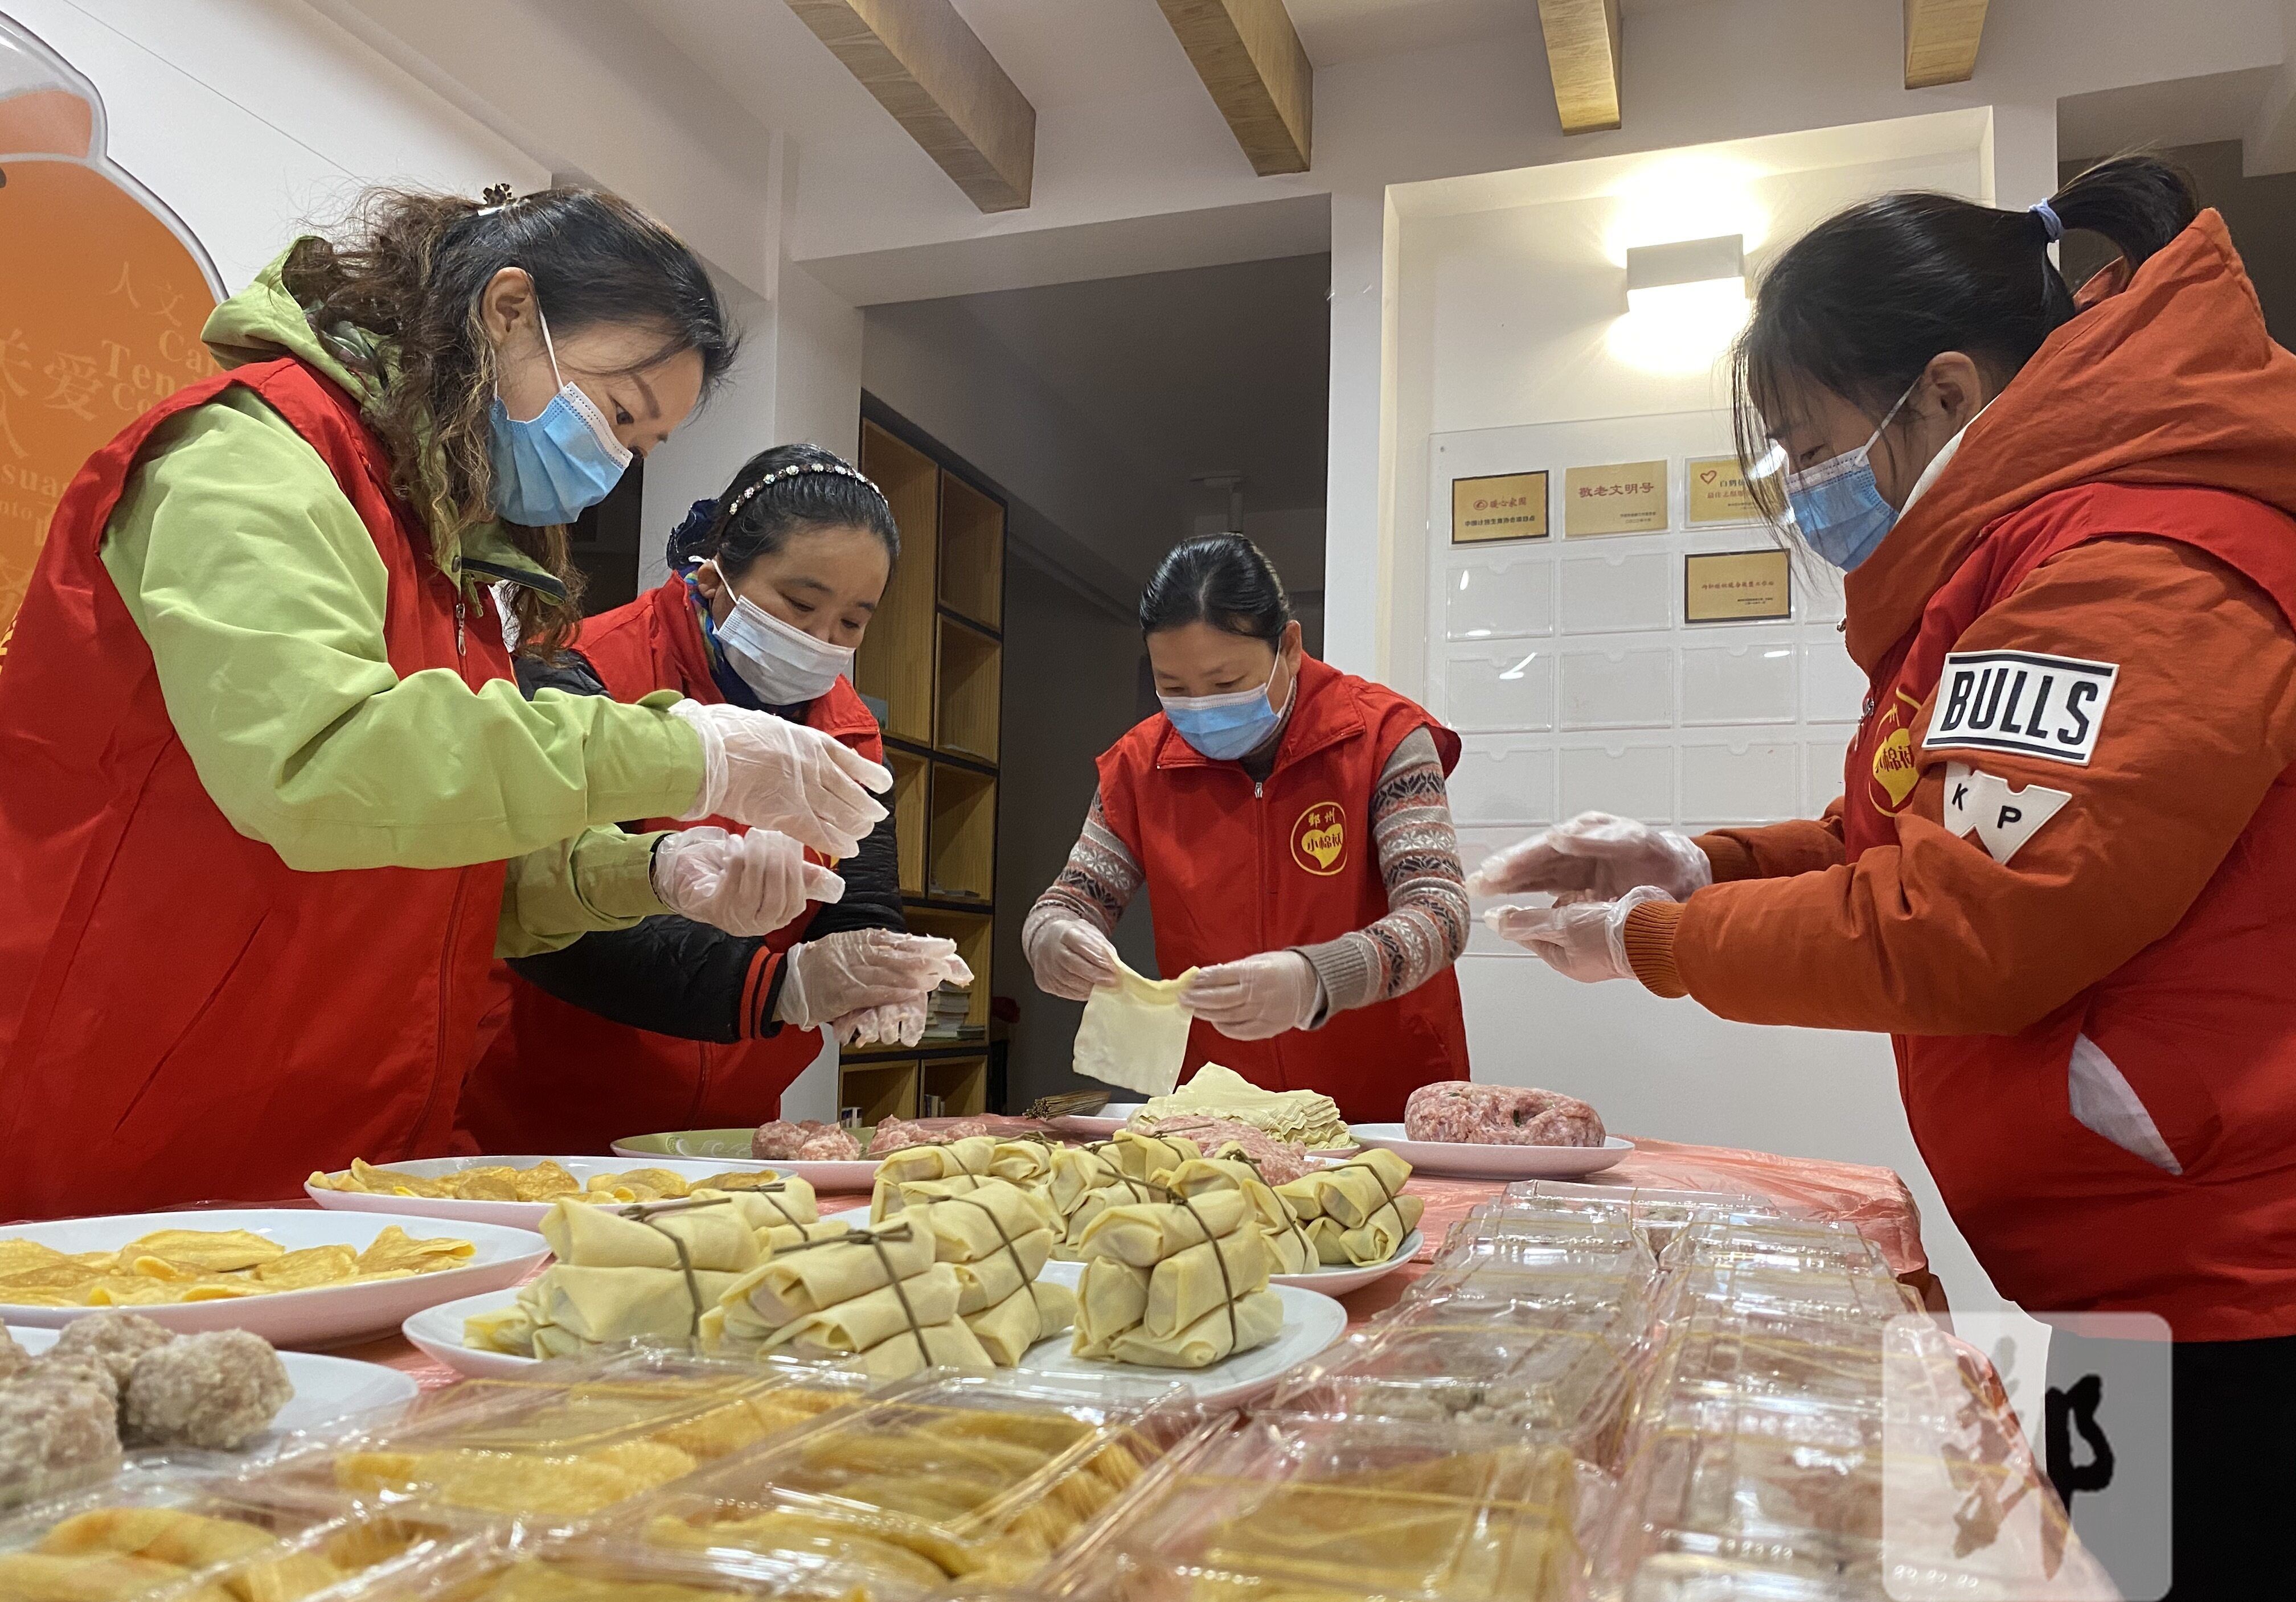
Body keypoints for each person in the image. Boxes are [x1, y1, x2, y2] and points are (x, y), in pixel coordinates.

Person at [1476, 158, 2295, 1602]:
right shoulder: (2014, 570)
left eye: (1808, 449)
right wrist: (1693, 863)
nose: (1805, 490)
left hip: (2233, 1299)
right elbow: (1903, 841)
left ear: (1940, 392)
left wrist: (1664, 939)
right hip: (2113, 1270)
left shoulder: (2131, 569)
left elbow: (1971, 923)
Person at [0, 186, 892, 1219]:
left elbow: (449, 875)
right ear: (508, 312)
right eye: (616, 414)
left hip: (338, 1136)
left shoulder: (442, 551)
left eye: (640, 448)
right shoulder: (246, 460)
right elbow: (319, 762)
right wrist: (686, 752)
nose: (608, 468)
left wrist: (646, 867)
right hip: (133, 1119)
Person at [455, 444, 970, 1151]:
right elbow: (551, 920)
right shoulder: (582, 670)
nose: (820, 641)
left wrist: (876, 968)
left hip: (736, 1127)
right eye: (799, 603)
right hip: (545, 1119)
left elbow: (858, 898)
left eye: (852, 623)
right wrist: (776, 986)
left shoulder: (847, 727)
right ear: (718, 570)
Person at [1024, 534, 1470, 1120]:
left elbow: (1441, 913)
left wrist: (1314, 979)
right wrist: (1051, 937)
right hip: (1219, 1111)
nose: (1200, 708)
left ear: (1288, 647)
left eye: (1226, 684)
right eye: (1175, 689)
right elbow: (1072, 898)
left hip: (1386, 1106)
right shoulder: (1140, 766)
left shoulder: (1383, 738)